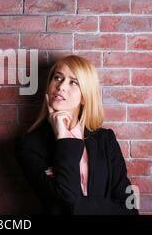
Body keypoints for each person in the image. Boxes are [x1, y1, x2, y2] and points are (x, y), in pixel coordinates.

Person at [15, 55, 139, 215]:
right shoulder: (29, 145)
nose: (61, 87)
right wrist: (63, 138)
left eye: (73, 82)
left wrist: (77, 204)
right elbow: (65, 198)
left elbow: (129, 210)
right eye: (57, 78)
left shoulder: (105, 140)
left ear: (85, 96)